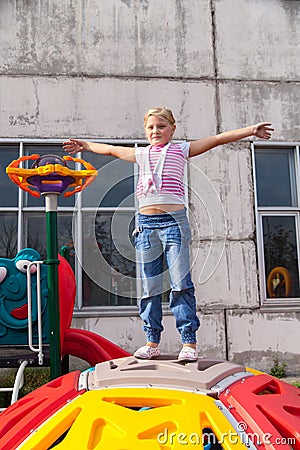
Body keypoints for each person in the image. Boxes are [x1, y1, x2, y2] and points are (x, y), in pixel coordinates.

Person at [63, 107, 273, 361]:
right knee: (149, 287)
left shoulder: (181, 150)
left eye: (161, 126)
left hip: (174, 224)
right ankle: (152, 341)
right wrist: (85, 145)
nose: (155, 131)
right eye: (150, 127)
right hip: (146, 225)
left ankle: (189, 343)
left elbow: (217, 139)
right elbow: (109, 149)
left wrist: (251, 131)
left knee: (180, 284)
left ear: (172, 129)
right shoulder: (141, 154)